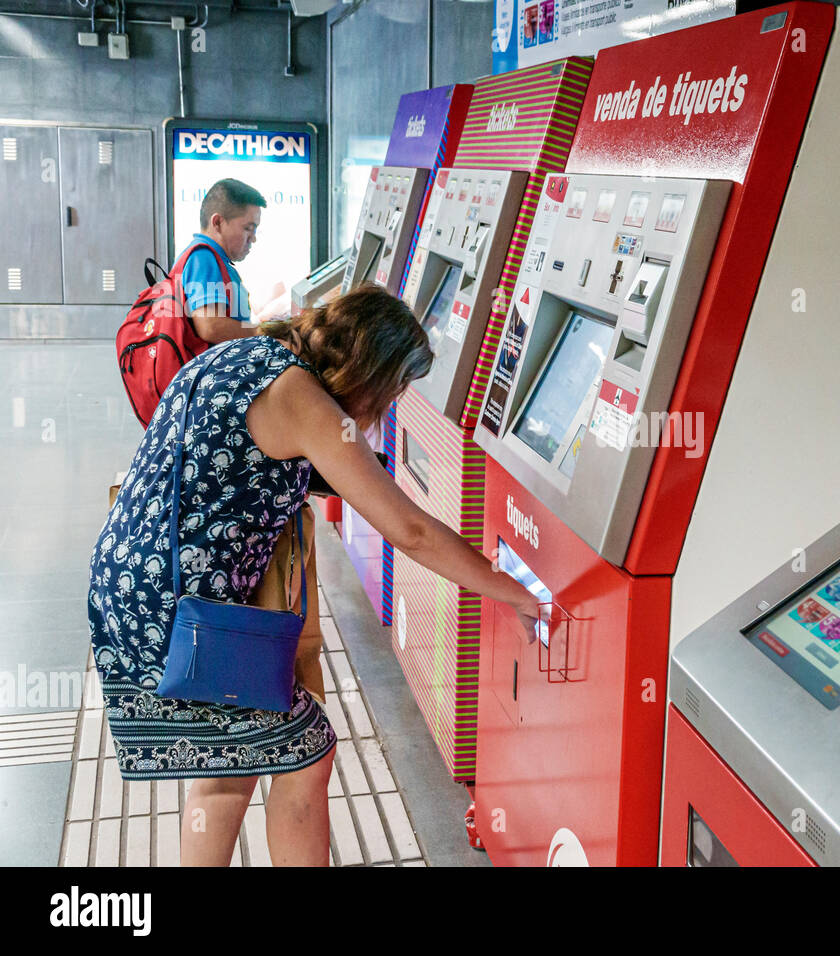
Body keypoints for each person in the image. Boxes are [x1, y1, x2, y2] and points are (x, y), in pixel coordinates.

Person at [89, 285, 541, 866]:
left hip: (130, 586)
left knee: (236, 759)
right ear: (371, 372)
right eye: (396, 388)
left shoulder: (256, 352)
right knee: (305, 748)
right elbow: (411, 532)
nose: (392, 403)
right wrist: (515, 594)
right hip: (179, 618)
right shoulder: (300, 397)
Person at [181, 178, 265, 343]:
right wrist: (264, 333)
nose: (253, 239)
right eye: (248, 228)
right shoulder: (203, 257)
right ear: (218, 222)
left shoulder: (215, 260)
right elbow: (210, 327)